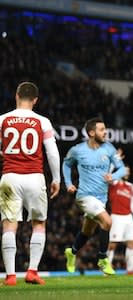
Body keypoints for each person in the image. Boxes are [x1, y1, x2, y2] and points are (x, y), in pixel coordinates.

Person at [0, 82, 61, 286]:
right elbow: (52, 152)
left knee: (9, 225)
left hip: (9, 178)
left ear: (16, 95)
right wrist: (57, 178)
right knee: (39, 223)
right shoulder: (42, 121)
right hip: (35, 177)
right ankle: (32, 271)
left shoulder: (2, 120)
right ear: (35, 100)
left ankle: (10, 276)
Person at [63, 117, 126, 275]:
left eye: (105, 129)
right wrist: (68, 183)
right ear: (91, 132)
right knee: (107, 221)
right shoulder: (78, 150)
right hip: (84, 196)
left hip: (101, 198)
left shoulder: (109, 149)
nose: (105, 132)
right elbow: (66, 164)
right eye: (101, 130)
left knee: (87, 231)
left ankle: (72, 252)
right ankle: (103, 259)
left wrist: (114, 176)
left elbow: (122, 168)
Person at [106, 163, 133, 275]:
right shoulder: (114, 183)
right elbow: (107, 175)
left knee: (132, 243)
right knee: (112, 244)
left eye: (128, 171)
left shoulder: (130, 186)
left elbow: (132, 203)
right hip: (116, 216)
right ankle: (106, 269)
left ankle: (130, 270)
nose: (128, 173)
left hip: (128, 217)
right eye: (125, 171)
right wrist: (113, 163)